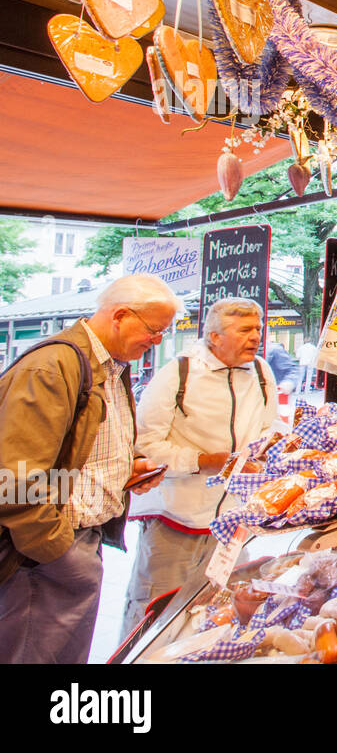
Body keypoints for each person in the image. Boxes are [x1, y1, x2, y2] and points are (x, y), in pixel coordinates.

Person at [0, 274, 180, 663]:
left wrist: (125, 469)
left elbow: (77, 452)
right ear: (119, 316)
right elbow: (15, 481)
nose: (158, 340)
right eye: (154, 329)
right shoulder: (52, 367)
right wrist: (57, 551)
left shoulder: (109, 365)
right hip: (43, 557)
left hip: (73, 545)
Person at [123, 298, 278, 632]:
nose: (255, 337)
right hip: (174, 522)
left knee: (218, 615)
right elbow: (144, 446)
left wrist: (267, 452)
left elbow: (270, 429)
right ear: (215, 337)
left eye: (258, 329)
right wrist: (203, 462)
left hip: (233, 525)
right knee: (155, 616)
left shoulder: (263, 373)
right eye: (245, 330)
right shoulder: (178, 374)